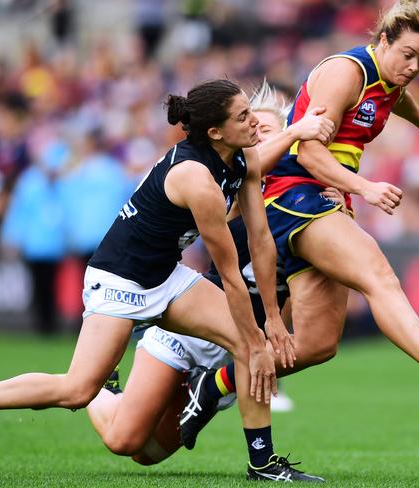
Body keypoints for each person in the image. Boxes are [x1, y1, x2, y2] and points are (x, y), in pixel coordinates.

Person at [179, 0, 419, 448]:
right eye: (408, 54)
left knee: (317, 344)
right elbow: (308, 153)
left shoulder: (388, 78)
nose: (414, 67)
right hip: (293, 194)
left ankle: (213, 384)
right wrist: (368, 187)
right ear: (382, 41)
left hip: (320, 198)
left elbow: (394, 97)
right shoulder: (346, 72)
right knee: (378, 275)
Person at [0, 79, 324, 482]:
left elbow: (260, 242)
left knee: (249, 344)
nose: (255, 124)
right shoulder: (196, 177)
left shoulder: (244, 159)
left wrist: (272, 321)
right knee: (77, 392)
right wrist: (262, 337)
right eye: (243, 117)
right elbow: (227, 271)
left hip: (166, 277)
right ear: (214, 132)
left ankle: (262, 462)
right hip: (120, 281)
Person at [84, 81, 337, 467]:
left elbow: (299, 307)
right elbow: (254, 168)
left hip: (236, 344)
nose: (257, 133)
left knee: (150, 455)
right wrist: (290, 133)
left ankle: (256, 454)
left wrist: (341, 197)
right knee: (127, 442)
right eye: (256, 127)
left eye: (266, 129)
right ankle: (100, 386)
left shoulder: (307, 210)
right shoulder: (231, 188)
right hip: (193, 329)